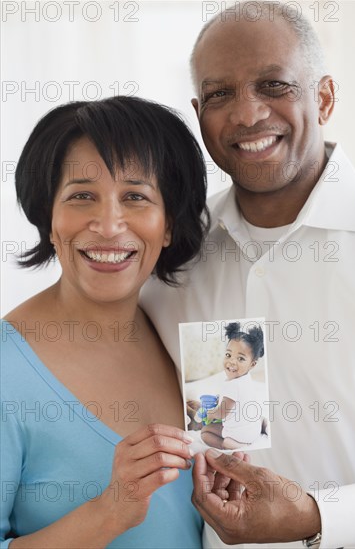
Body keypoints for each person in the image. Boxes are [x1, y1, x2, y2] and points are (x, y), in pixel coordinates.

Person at [140, 1, 355, 548]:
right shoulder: (172, 264)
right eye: (219, 94)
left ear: (323, 96)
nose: (248, 114)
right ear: (198, 111)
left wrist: (316, 515)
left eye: (273, 85)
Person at [0, 95, 210, 548]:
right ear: (49, 218)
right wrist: (110, 511)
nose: (110, 225)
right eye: (81, 196)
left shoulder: (184, 339)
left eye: (135, 196)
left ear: (168, 223)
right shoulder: (6, 369)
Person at [196, 322, 264, 450]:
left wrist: (211, 414)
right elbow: (237, 400)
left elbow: (222, 414)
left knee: (205, 432)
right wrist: (220, 400)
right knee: (259, 418)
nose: (232, 361)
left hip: (239, 435)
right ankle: (263, 427)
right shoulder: (246, 379)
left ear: (252, 364)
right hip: (254, 429)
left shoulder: (232, 386)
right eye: (228, 355)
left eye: (241, 358)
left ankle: (232, 445)